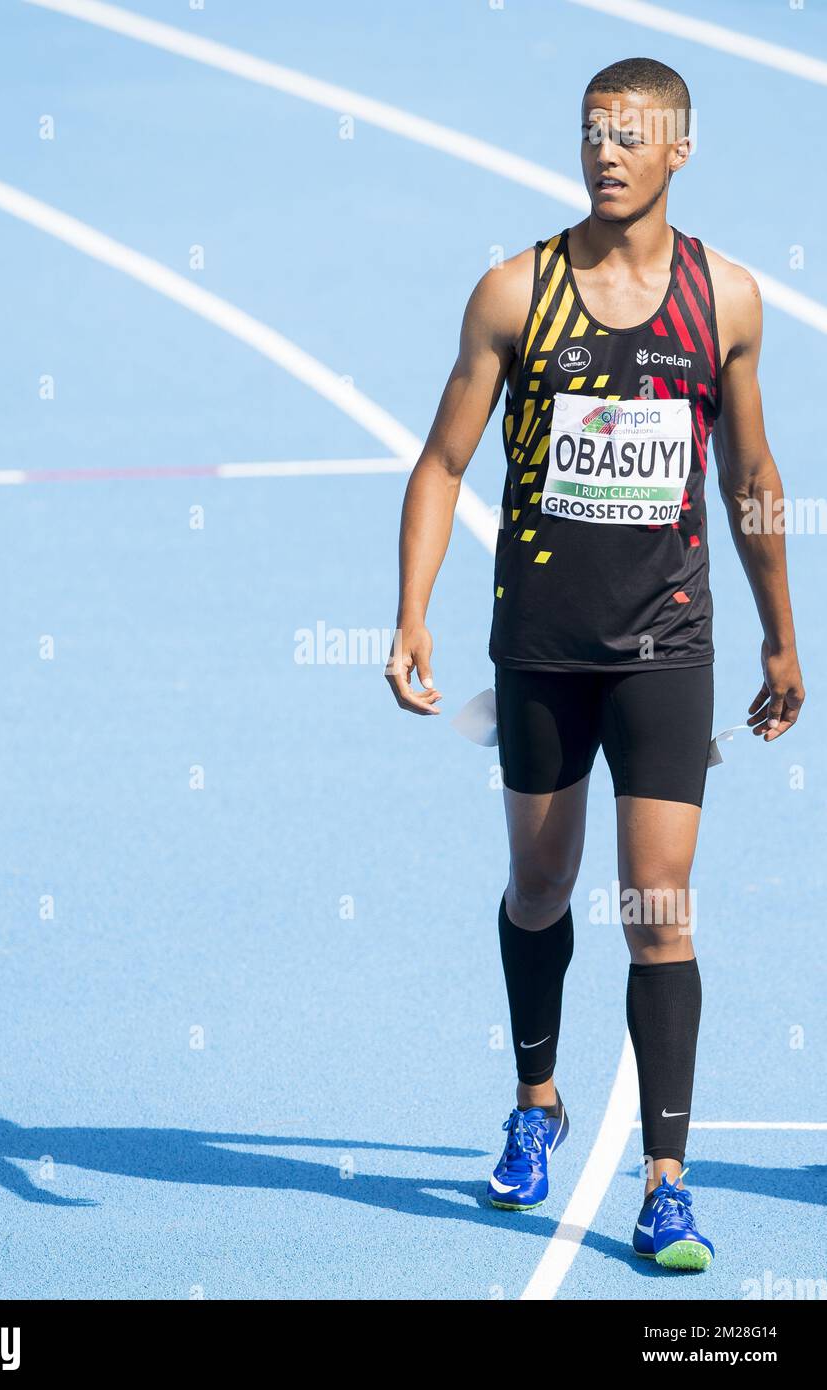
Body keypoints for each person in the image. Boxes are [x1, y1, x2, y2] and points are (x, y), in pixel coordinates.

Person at [386, 56, 804, 1270]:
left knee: (657, 907)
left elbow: (752, 481)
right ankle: (536, 1100)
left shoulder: (723, 301)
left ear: (679, 150)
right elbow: (438, 464)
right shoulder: (514, 295)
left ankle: (666, 1182)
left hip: (669, 647)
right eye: (590, 134)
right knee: (538, 885)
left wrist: (780, 630)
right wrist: (410, 611)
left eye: (631, 136)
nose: (606, 153)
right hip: (542, 649)